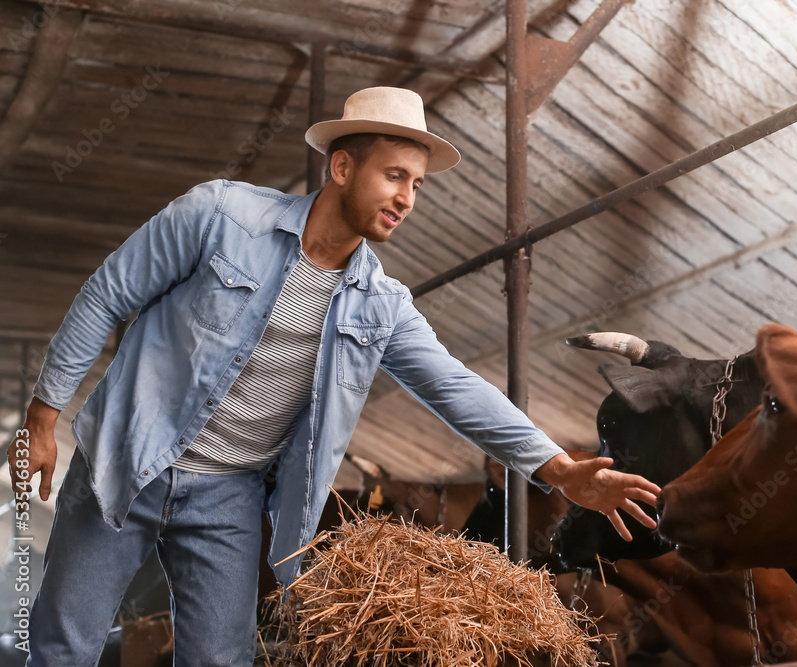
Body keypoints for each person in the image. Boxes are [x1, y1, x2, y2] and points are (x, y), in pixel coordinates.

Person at [7, 86, 661, 665]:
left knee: (222, 657)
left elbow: (456, 389)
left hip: (228, 496)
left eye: (418, 184)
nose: (406, 197)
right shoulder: (219, 217)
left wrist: (561, 468)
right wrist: (42, 416)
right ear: (343, 167)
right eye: (394, 176)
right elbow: (108, 292)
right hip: (129, 455)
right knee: (65, 644)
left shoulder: (381, 305)